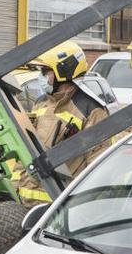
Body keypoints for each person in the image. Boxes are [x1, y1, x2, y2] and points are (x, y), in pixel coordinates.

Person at [15, 41, 110, 203]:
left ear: (63, 71)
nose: (41, 77)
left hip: (56, 206)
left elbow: (97, 163)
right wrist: (15, 184)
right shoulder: (41, 102)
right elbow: (25, 148)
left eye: (46, 71)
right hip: (24, 201)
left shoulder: (91, 109)